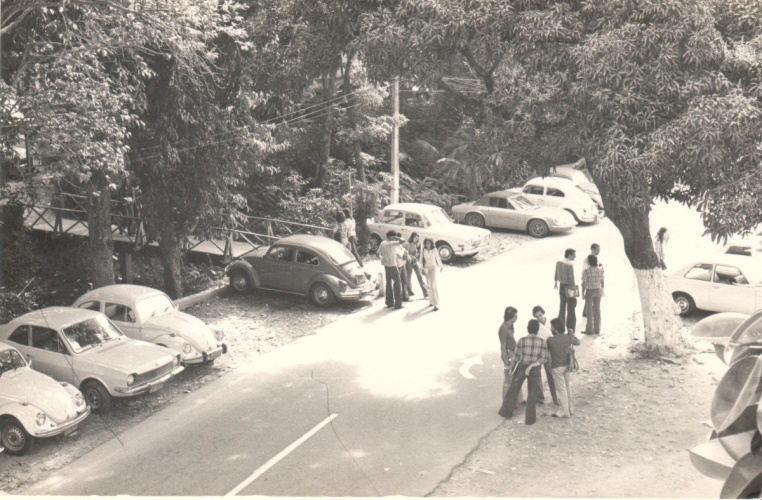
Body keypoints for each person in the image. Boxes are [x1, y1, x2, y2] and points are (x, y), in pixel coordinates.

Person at [499, 319, 549, 425]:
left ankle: (506, 412)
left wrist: (511, 369)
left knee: (514, 389)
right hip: (535, 369)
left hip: (521, 367)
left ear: (528, 328)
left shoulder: (521, 341)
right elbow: (544, 358)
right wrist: (534, 364)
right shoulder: (542, 342)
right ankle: (530, 419)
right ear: (537, 330)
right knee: (532, 393)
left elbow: (516, 357)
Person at [546, 317, 580, 418]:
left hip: (556, 367)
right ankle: (570, 408)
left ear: (555, 329)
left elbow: (547, 352)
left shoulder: (550, 340)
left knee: (561, 390)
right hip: (567, 365)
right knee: (567, 387)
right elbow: (578, 342)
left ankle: (564, 411)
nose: (551, 329)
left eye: (552, 327)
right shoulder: (568, 337)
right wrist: (571, 333)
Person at [531, 306, 558, 406]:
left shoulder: (551, 321)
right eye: (536, 316)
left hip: (549, 350)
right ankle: (540, 398)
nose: (539, 318)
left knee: (551, 374)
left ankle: (555, 398)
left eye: (540, 315)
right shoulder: (535, 325)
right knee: (537, 374)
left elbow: (557, 334)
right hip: (538, 351)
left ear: (543, 313)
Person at [377, 230, 404, 309]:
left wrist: (383, 259)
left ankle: (389, 302)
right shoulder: (391, 244)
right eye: (394, 237)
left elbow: (377, 254)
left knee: (388, 283)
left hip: (386, 265)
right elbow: (402, 241)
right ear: (391, 237)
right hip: (393, 265)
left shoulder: (382, 243)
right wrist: (396, 237)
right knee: (397, 284)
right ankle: (398, 304)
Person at [554, 248, 578, 333]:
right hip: (569, 287)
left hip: (561, 286)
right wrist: (574, 290)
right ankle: (571, 328)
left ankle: (560, 327)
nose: (575, 256)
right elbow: (571, 279)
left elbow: (556, 273)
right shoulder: (570, 265)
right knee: (571, 308)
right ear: (569, 255)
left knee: (562, 307)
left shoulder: (559, 262)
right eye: (574, 255)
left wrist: (556, 282)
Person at [498, 307, 519, 400]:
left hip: (514, 353)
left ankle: (517, 400)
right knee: (508, 379)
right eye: (515, 316)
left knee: (515, 377)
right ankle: (506, 401)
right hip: (509, 354)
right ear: (511, 317)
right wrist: (506, 361)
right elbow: (503, 346)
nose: (517, 317)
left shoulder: (510, 326)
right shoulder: (503, 329)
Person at [581, 254, 605, 335]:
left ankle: (589, 330)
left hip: (590, 291)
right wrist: (602, 289)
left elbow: (584, 283)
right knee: (597, 310)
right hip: (598, 290)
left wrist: (582, 293)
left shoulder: (586, 271)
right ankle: (597, 330)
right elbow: (602, 281)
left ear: (588, 261)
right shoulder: (600, 270)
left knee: (589, 310)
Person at [420, 238, 443, 310]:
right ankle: (431, 301)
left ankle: (436, 304)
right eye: (426, 243)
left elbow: (437, 258)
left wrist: (441, 265)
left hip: (433, 267)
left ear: (431, 243)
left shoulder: (434, 250)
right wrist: (421, 268)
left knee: (433, 285)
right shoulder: (423, 250)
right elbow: (420, 259)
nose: (427, 244)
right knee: (428, 285)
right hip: (426, 268)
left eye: (429, 243)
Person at [404, 232, 428, 298]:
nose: (416, 240)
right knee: (408, 277)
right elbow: (406, 254)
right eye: (415, 238)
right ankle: (409, 291)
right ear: (412, 237)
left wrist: (417, 257)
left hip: (415, 262)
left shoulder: (417, 245)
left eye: (417, 238)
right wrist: (412, 256)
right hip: (409, 262)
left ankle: (425, 292)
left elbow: (419, 255)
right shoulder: (408, 244)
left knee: (420, 276)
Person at [581, 243, 601, 318]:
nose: (598, 251)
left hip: (591, 279)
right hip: (589, 279)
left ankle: (585, 311)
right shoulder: (588, 259)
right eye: (597, 249)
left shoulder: (595, 257)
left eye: (599, 249)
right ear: (592, 249)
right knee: (590, 296)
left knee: (590, 296)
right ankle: (586, 312)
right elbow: (585, 269)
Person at [395, 231, 411, 302]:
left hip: (402, 264)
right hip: (397, 265)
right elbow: (400, 255)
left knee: (404, 280)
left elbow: (404, 256)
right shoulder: (395, 247)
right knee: (398, 283)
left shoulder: (401, 246)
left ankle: (405, 297)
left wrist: (405, 252)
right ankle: (399, 299)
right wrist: (404, 251)